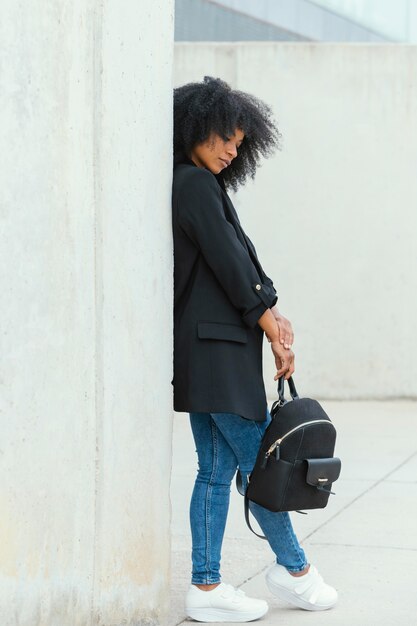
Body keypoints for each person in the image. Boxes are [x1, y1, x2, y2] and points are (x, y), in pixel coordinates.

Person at [172, 76, 337, 622]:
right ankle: (295, 570)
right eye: (225, 138)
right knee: (263, 466)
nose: (230, 151)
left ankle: (206, 585)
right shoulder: (193, 185)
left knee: (216, 470)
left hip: (210, 349)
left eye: (240, 145)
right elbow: (226, 259)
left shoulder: (197, 184)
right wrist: (267, 322)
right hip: (216, 352)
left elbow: (235, 262)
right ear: (198, 127)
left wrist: (270, 312)